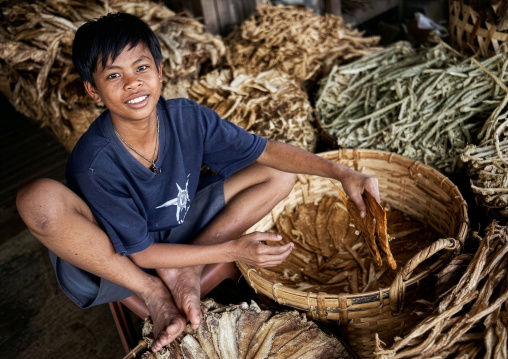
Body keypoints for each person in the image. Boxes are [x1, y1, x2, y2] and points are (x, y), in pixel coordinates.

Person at [16, 12, 380, 353]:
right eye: (113, 76)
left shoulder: (187, 118)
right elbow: (140, 252)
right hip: (119, 255)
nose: (133, 82)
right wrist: (233, 250)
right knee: (37, 200)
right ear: (93, 91)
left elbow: (267, 151)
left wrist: (341, 172)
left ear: (160, 71)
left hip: (179, 228)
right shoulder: (95, 162)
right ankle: (156, 292)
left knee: (279, 172)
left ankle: (186, 269)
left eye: (142, 67)